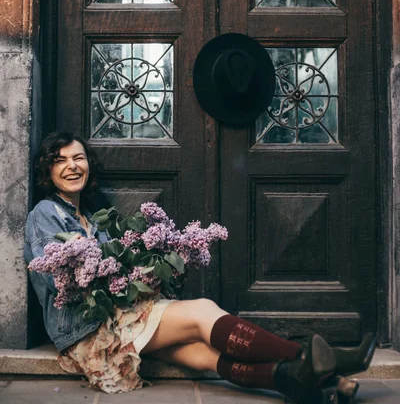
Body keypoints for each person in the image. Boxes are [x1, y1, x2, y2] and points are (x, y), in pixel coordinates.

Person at [24, 132, 376, 402]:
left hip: (115, 315)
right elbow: (60, 283)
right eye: (61, 160)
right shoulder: (44, 214)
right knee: (202, 313)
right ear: (48, 169)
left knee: (205, 356)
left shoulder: (95, 218)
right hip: (88, 330)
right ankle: (314, 358)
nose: (72, 166)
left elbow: (110, 269)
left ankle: (307, 383)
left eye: (79, 158)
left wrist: (143, 269)